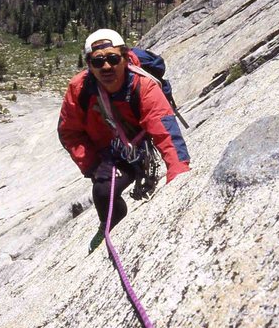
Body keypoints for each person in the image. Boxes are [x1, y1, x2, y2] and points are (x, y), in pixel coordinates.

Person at [58, 29, 190, 253]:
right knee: (102, 191)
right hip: (108, 151)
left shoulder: (143, 85)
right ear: (89, 65)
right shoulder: (79, 88)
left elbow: (164, 130)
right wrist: (92, 164)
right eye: (98, 61)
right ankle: (109, 225)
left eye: (112, 58)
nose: (106, 67)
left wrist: (178, 174)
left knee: (107, 187)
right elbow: (69, 131)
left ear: (125, 57)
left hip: (139, 146)